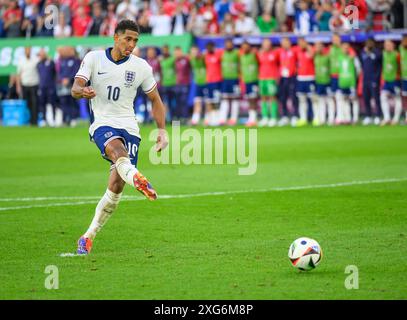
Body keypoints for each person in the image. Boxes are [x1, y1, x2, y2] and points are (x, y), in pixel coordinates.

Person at [71, 20, 168, 255]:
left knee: (115, 189)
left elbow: (155, 99)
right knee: (117, 152)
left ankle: (88, 236)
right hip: (103, 122)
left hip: (130, 127)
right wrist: (83, 92)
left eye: (135, 41)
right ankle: (138, 178)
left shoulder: (142, 66)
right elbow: (75, 87)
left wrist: (162, 130)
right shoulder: (94, 58)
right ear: (115, 37)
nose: (132, 44)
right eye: (128, 39)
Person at [295, 37, 317, 126]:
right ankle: (303, 118)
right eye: (299, 43)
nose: (301, 44)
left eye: (302, 42)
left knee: (313, 99)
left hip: (310, 78)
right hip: (300, 78)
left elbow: (312, 55)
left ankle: (316, 117)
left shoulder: (310, 50)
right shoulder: (298, 51)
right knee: (301, 99)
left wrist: (308, 46)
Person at [257, 38, 280, 127]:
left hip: (271, 78)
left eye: (268, 44)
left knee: (272, 98)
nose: (266, 46)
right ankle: (265, 117)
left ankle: (273, 117)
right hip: (262, 78)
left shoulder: (275, 53)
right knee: (263, 98)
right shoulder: (259, 54)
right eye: (264, 44)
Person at [337, 41, 361, 125]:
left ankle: (355, 118)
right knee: (345, 100)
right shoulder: (339, 57)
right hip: (342, 82)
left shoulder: (353, 57)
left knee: (354, 100)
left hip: (351, 82)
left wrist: (354, 78)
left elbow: (358, 69)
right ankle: (347, 118)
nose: (345, 49)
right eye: (344, 48)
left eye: (347, 48)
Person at [360, 38, 382, 125]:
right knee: (366, 98)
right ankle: (368, 116)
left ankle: (378, 116)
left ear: (373, 43)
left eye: (370, 43)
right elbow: (362, 63)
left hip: (374, 79)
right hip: (365, 79)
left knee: (376, 98)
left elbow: (377, 60)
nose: (368, 44)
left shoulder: (377, 52)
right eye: (367, 43)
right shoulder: (363, 52)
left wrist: (369, 52)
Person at [380, 40, 402, 125]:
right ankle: (387, 117)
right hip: (386, 80)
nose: (387, 46)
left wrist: (398, 75)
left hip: (395, 80)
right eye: (385, 45)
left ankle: (396, 118)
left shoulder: (397, 55)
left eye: (389, 45)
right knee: (383, 96)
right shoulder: (384, 54)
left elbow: (401, 66)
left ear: (393, 46)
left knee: (397, 98)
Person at [219, 38, 240, 126]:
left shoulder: (237, 53)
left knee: (235, 98)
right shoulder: (222, 53)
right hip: (225, 79)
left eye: (230, 44)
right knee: (225, 98)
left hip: (234, 79)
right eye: (227, 44)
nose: (228, 45)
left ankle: (234, 118)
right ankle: (222, 118)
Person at [16, 47, 39, 126]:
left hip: (34, 84)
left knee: (35, 103)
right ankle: (28, 120)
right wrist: (18, 86)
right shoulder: (21, 61)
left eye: (29, 50)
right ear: (25, 51)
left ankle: (34, 121)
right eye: (26, 50)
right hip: (25, 85)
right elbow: (18, 74)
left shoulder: (35, 60)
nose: (28, 52)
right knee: (27, 104)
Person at [277, 37, 297, 126]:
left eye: (286, 42)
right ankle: (284, 116)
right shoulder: (279, 52)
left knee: (293, 97)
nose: (285, 44)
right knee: (283, 97)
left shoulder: (294, 51)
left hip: (292, 76)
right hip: (283, 77)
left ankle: (295, 116)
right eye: (283, 43)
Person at [239, 41, 259, 127]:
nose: (245, 48)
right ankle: (251, 118)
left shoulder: (254, 55)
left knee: (253, 99)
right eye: (243, 47)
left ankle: (254, 118)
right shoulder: (242, 57)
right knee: (250, 100)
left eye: (246, 47)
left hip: (254, 80)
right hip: (246, 81)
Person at [314, 41, 331, 126]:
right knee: (319, 100)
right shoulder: (314, 57)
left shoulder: (327, 57)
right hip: (318, 81)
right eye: (317, 47)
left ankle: (330, 118)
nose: (318, 48)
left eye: (320, 46)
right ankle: (320, 118)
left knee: (329, 100)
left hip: (327, 81)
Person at [189, 45, 208, 126]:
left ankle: (207, 119)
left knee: (208, 102)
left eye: (195, 51)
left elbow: (204, 56)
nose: (194, 53)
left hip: (206, 82)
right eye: (192, 52)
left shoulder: (203, 58)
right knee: (197, 102)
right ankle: (195, 119)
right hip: (197, 83)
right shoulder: (191, 60)